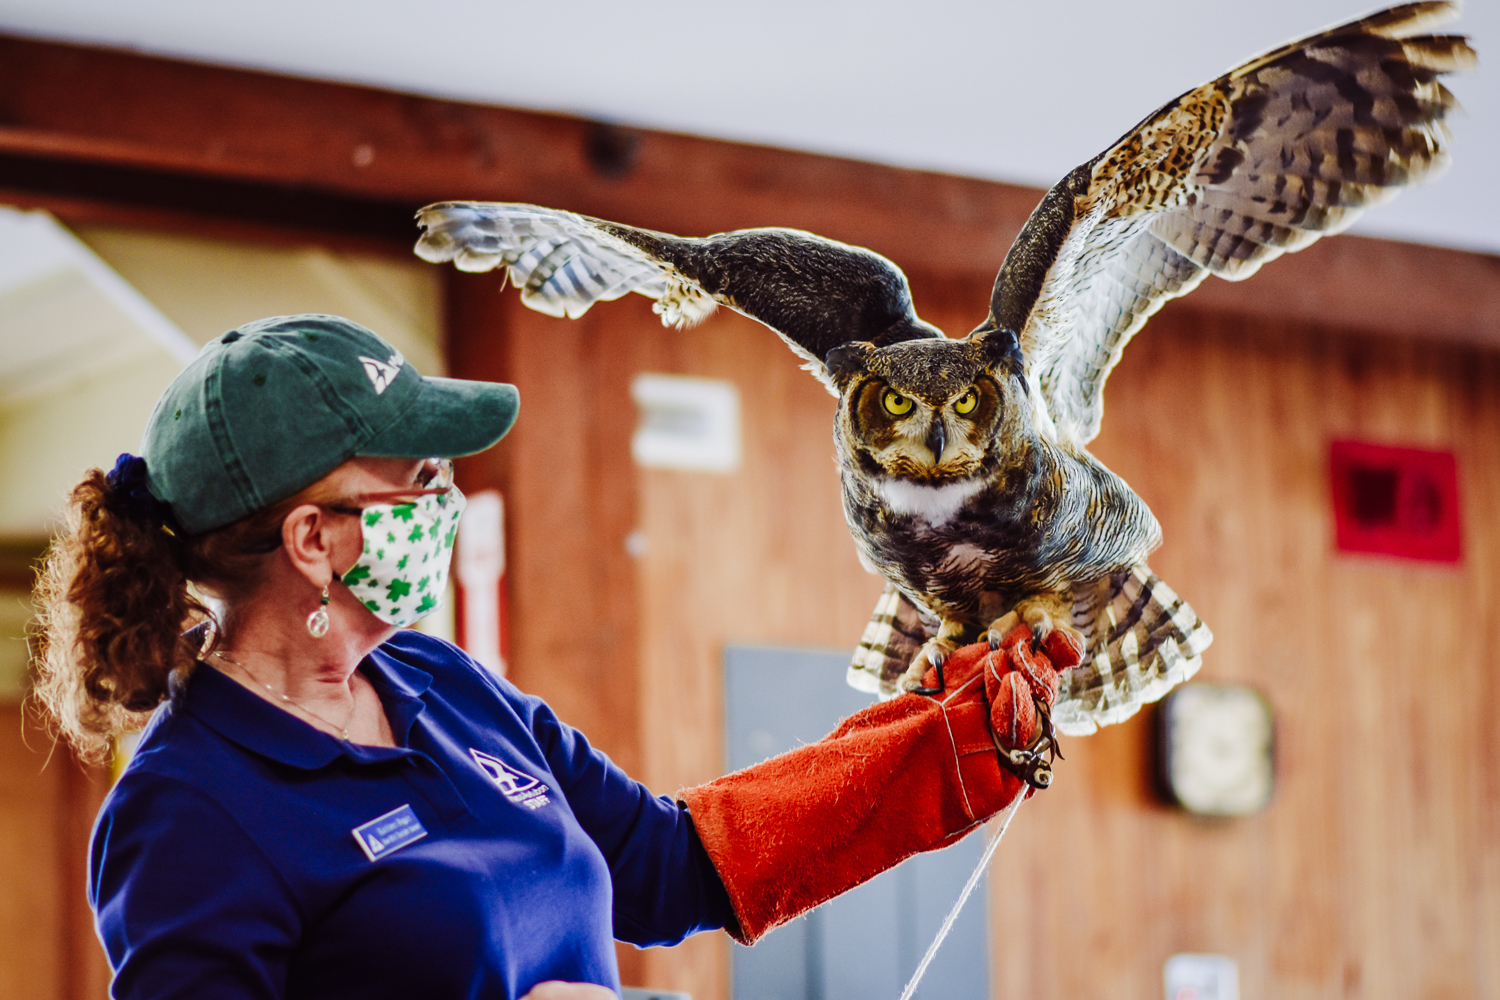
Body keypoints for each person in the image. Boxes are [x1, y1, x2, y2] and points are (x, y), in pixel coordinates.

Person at [34, 314, 1079, 1000]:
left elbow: (671, 863)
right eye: (422, 479)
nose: (448, 501)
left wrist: (951, 739)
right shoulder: (190, 808)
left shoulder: (440, 685)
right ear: (314, 541)